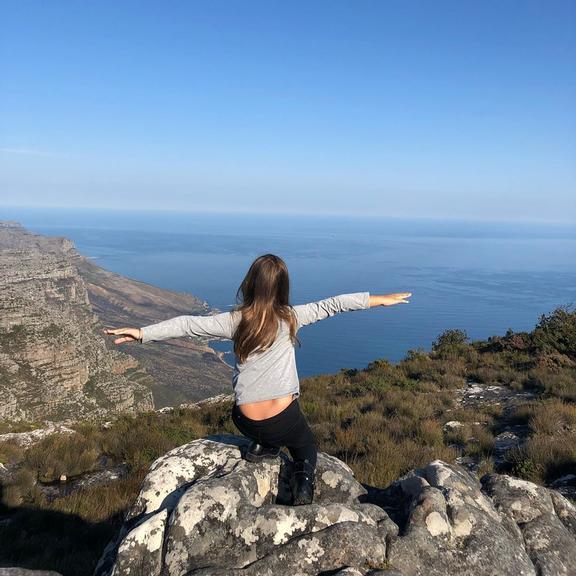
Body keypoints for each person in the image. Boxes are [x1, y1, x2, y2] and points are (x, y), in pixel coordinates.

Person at [104, 253, 411, 505]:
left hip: (245, 420)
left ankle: (264, 445)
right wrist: (379, 299)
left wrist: (142, 333)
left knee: (266, 426)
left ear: (250, 284)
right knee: (306, 447)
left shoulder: (234, 322)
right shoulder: (292, 316)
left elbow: (187, 325)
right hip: (284, 419)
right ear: (283, 288)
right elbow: (335, 304)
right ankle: (302, 488)